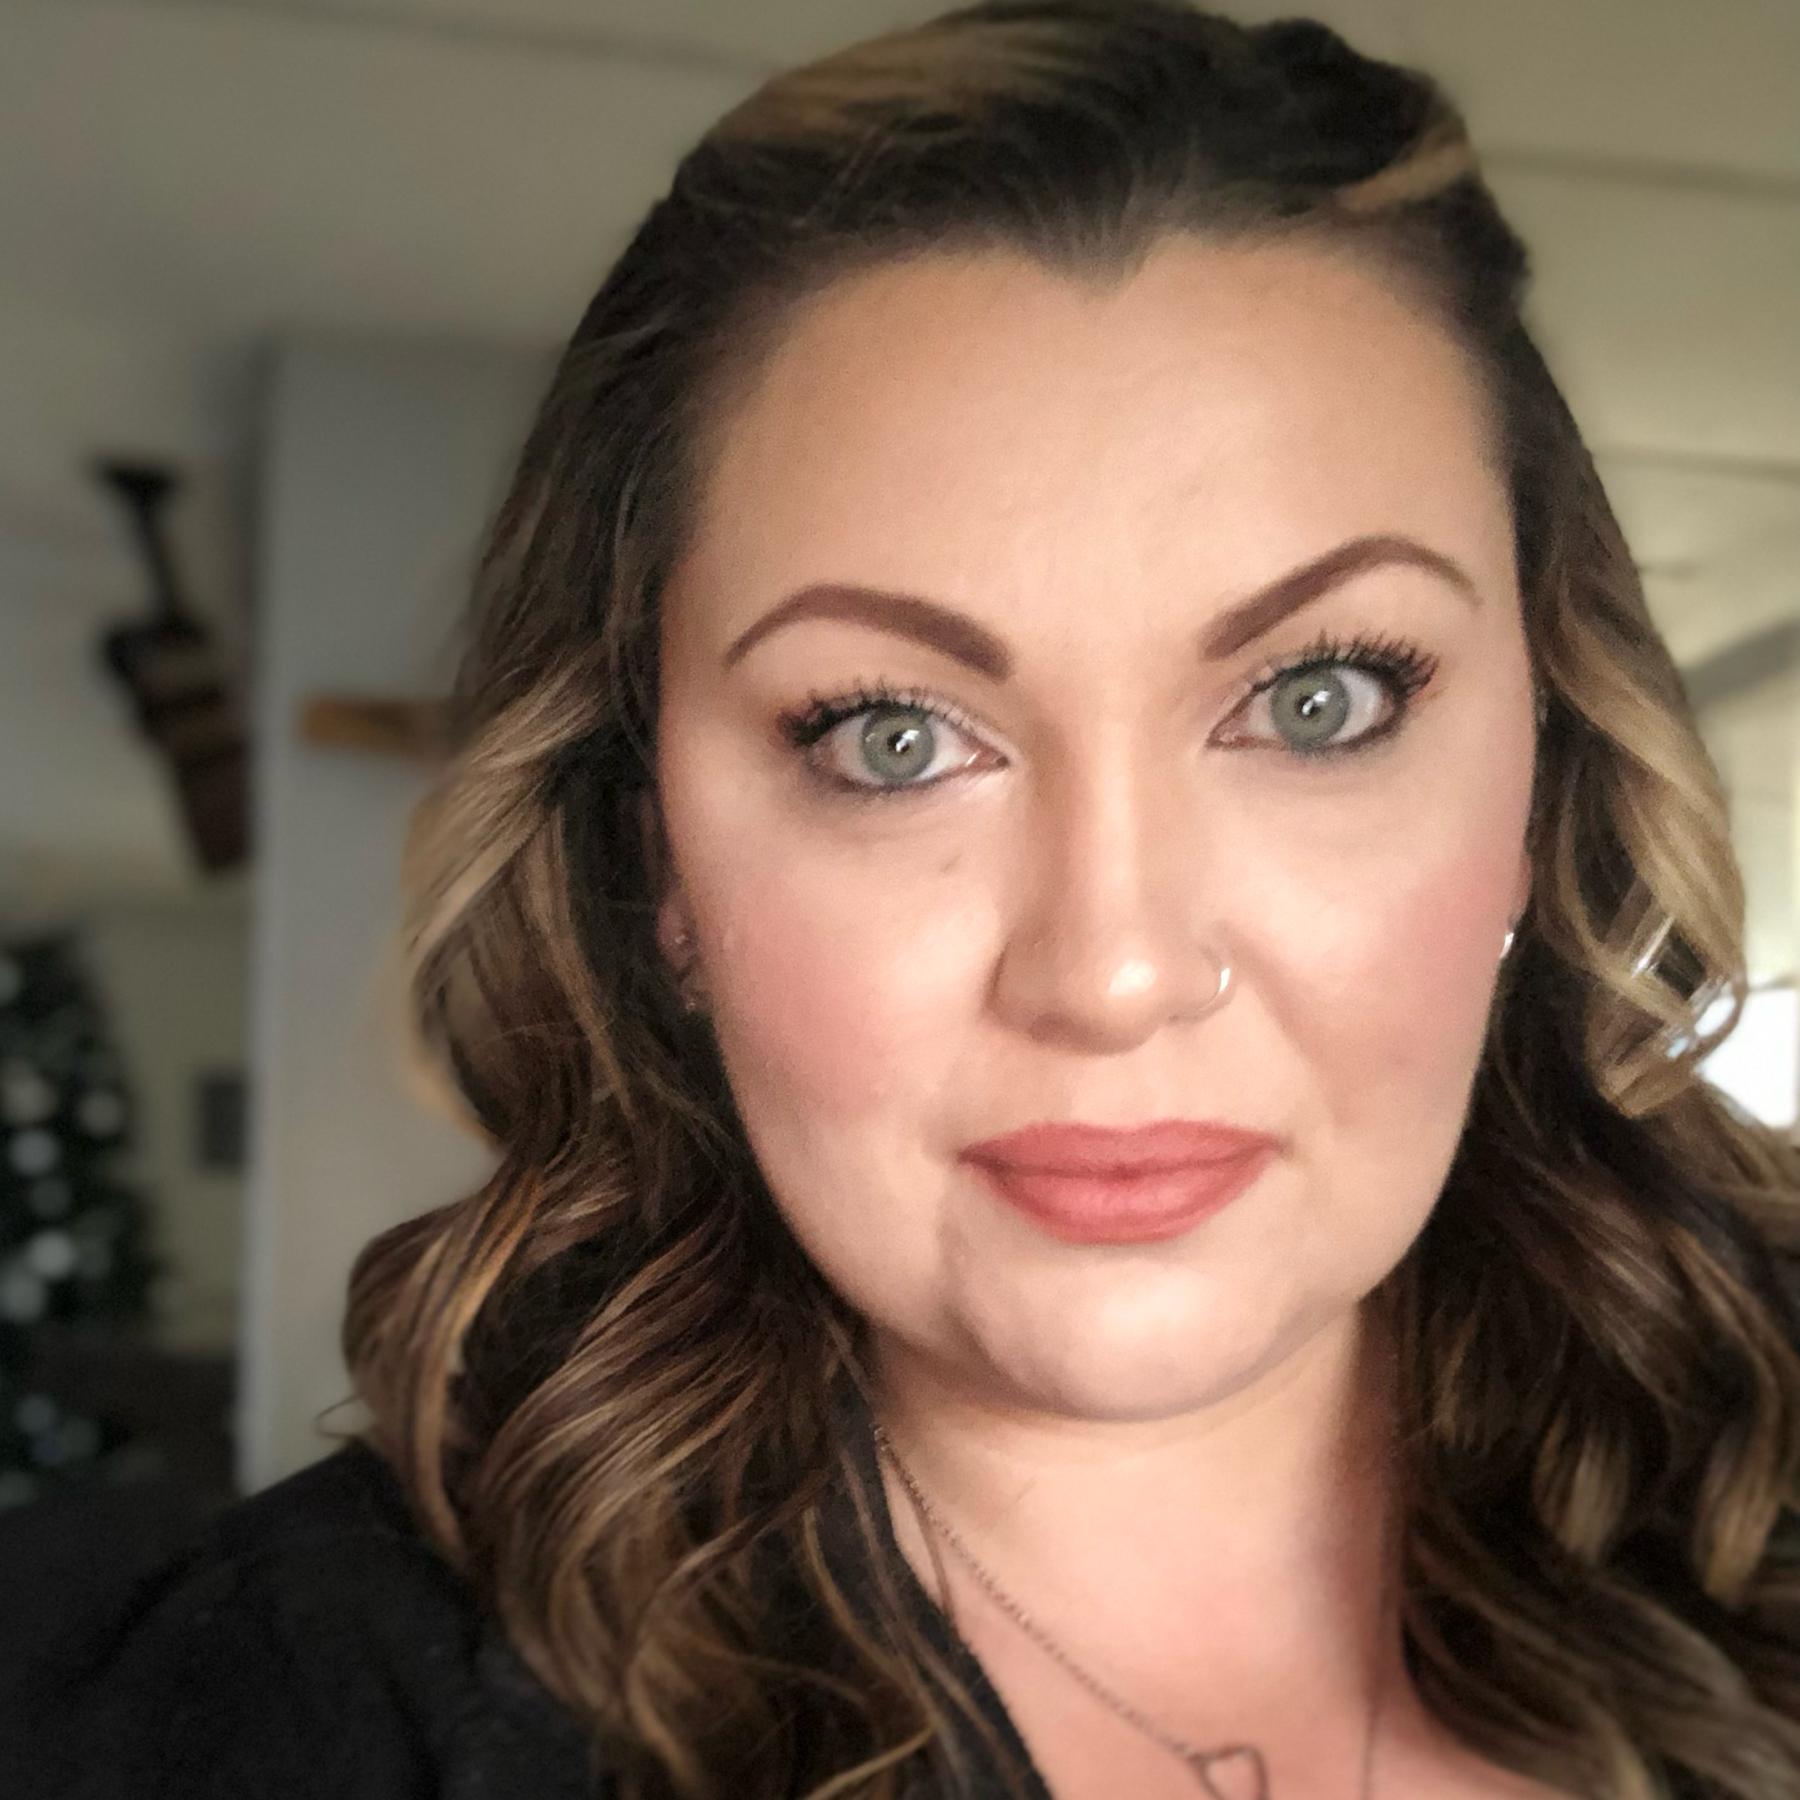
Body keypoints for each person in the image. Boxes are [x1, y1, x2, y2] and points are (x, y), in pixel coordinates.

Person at [16, 2, 1800, 1796]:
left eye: (1318, 701)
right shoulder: (283, 1715)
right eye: (892, 739)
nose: (1111, 968)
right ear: (659, 862)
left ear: (1541, 780)